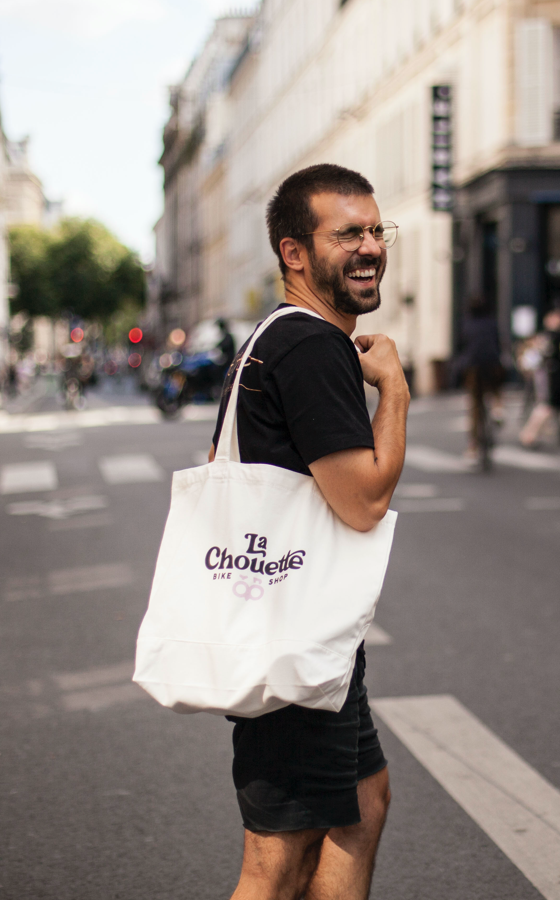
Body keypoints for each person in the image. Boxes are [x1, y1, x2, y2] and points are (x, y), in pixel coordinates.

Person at [206, 164, 407, 900]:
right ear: (295, 254)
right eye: (347, 233)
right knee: (277, 861)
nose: (370, 247)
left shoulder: (270, 339)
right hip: (292, 643)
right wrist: (396, 388)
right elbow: (364, 501)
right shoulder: (313, 347)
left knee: (363, 802)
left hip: (304, 637)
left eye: (376, 230)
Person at [519, 307, 560, 450]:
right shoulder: (557, 336)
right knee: (554, 407)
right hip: (556, 376)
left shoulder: (548, 336)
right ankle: (529, 435)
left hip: (554, 375)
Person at [455, 294, 504, 459]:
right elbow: (498, 344)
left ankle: (474, 446)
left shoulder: (467, 324)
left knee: (475, 406)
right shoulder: (492, 323)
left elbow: (461, 347)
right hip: (491, 364)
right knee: (496, 387)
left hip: (473, 367)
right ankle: (498, 409)